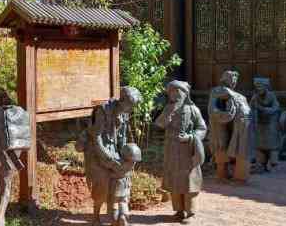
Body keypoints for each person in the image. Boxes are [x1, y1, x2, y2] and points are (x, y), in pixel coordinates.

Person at [76, 86, 143, 226]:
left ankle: (117, 215)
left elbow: (122, 137)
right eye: (130, 106)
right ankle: (95, 216)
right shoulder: (103, 110)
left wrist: (122, 156)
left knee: (119, 179)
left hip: (112, 150)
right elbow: (96, 137)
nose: (131, 110)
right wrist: (109, 159)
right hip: (96, 150)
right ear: (122, 100)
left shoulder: (124, 113)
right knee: (101, 183)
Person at [155, 81, 206, 222]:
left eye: (178, 92)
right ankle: (179, 210)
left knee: (189, 181)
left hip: (187, 152)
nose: (175, 96)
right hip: (171, 150)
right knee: (175, 181)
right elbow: (159, 124)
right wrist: (168, 115)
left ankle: (190, 212)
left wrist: (190, 137)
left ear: (185, 94)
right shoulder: (168, 109)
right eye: (172, 93)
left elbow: (202, 128)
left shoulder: (193, 110)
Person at [208, 70, 252, 182]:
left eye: (235, 80)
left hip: (239, 126)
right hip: (220, 126)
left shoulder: (239, 96)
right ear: (224, 79)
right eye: (231, 79)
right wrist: (225, 115)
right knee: (221, 145)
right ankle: (222, 174)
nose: (233, 82)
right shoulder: (217, 91)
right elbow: (213, 109)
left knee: (239, 148)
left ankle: (238, 175)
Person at [250, 78, 281, 172]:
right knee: (260, 145)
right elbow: (250, 108)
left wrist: (261, 108)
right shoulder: (255, 97)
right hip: (260, 125)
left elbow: (275, 109)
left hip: (271, 124)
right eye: (257, 87)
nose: (258, 89)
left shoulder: (272, 96)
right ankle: (260, 164)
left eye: (260, 87)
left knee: (272, 145)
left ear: (266, 87)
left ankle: (273, 163)